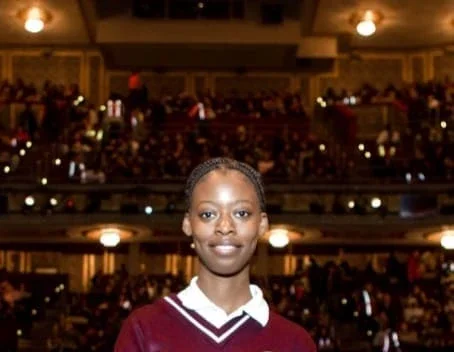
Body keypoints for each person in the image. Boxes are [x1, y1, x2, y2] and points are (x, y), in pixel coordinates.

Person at [115, 157, 316, 351]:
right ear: (188, 224)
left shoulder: (295, 342)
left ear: (262, 224)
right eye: (208, 214)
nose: (225, 226)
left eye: (241, 213)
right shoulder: (144, 330)